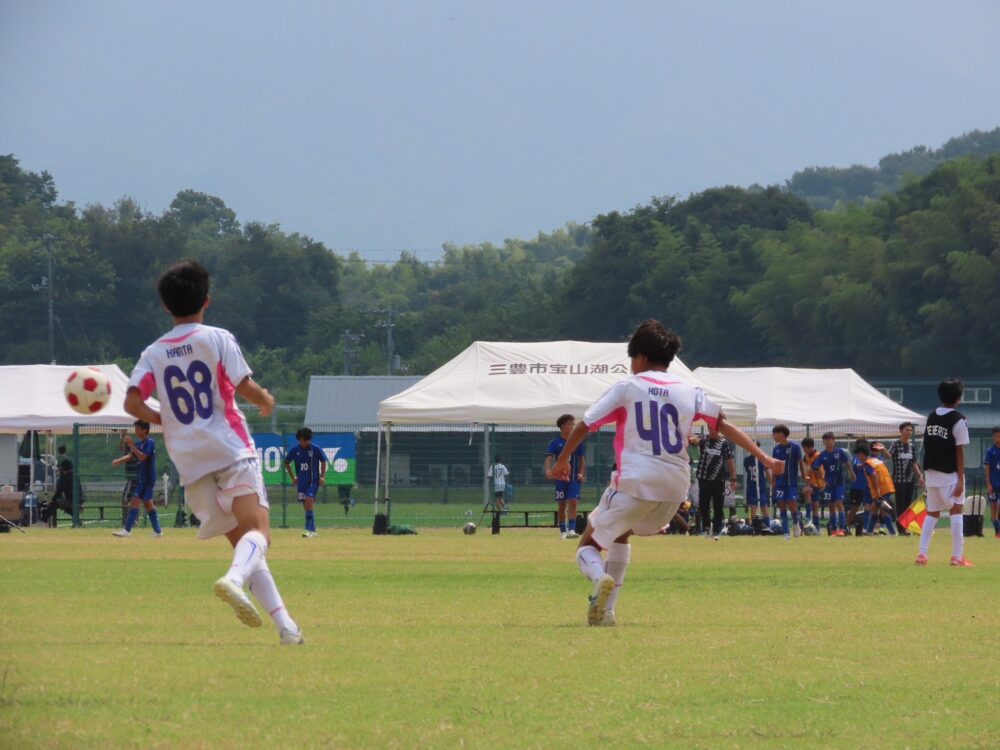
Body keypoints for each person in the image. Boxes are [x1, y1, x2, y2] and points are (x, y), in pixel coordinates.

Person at [552, 320, 783, 626]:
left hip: (636, 480)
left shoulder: (628, 387)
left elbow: (585, 425)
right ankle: (606, 614)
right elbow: (723, 425)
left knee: (587, 547)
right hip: (675, 489)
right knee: (621, 533)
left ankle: (599, 579)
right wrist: (764, 457)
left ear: (640, 357)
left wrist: (562, 460)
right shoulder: (690, 391)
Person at [123, 260, 304, 644]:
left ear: (165, 306)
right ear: (207, 299)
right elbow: (244, 385)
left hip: (189, 461)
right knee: (259, 533)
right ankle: (234, 579)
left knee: (244, 546)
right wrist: (266, 400)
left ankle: (287, 628)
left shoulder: (153, 353)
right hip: (229, 448)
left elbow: (132, 403)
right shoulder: (217, 338)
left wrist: (165, 417)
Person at [916, 378, 973, 567]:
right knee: (956, 513)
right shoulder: (959, 420)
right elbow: (959, 451)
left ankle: (922, 554)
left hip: (931, 473)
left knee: (932, 514)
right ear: (958, 397)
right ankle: (957, 556)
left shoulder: (932, 416)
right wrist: (961, 480)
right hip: (950, 474)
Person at [111, 420, 163, 537]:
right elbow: (131, 455)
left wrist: (131, 445)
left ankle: (127, 530)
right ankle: (158, 531)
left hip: (147, 478)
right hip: (142, 478)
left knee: (135, 501)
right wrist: (119, 460)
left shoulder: (150, 442)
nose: (136, 431)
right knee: (148, 504)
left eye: (138, 429)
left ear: (145, 430)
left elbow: (143, 457)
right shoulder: (139, 444)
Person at [544, 415, 586, 539]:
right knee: (562, 504)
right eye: (570, 424)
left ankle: (572, 530)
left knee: (573, 502)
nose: (573, 427)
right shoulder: (555, 442)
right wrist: (548, 470)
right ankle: (563, 531)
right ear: (562, 426)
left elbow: (582, 459)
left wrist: (581, 473)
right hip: (560, 479)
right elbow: (549, 457)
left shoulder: (577, 441)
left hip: (574, 479)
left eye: (574, 424)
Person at [881, 422, 925, 535]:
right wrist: (883, 449)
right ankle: (901, 529)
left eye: (910, 430)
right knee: (900, 504)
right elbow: (889, 456)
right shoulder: (896, 444)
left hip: (909, 480)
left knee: (907, 505)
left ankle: (905, 527)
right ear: (901, 431)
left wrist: (920, 475)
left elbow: (914, 463)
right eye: (907, 430)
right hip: (899, 480)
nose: (909, 432)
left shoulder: (911, 447)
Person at [283, 428, 328, 538]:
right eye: (303, 440)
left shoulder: (315, 449)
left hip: (313, 481)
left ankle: (307, 530)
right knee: (306, 505)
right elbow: (287, 462)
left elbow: (323, 462)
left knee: (309, 500)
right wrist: (293, 477)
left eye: (307, 440)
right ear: (299, 439)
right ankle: (313, 530)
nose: (305, 442)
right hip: (301, 482)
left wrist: (322, 477)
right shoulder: (295, 450)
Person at [691, 429, 735, 539]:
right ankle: (706, 528)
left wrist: (733, 478)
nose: (711, 431)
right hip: (704, 478)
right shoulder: (704, 440)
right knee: (703, 505)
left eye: (713, 429)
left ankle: (716, 531)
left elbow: (730, 461)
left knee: (718, 506)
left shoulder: (724, 443)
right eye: (709, 428)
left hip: (718, 480)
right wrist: (694, 439)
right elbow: (695, 440)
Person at [812, 432, 851, 536]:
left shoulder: (840, 452)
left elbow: (846, 462)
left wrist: (852, 473)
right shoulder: (822, 455)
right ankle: (833, 530)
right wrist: (822, 479)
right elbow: (815, 468)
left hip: (839, 483)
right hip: (829, 485)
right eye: (826, 440)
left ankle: (843, 529)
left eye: (830, 439)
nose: (828, 442)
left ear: (834, 441)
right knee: (831, 506)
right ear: (823, 442)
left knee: (839, 503)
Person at [854, 443, 896, 536]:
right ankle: (869, 531)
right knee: (874, 508)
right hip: (887, 485)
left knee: (883, 510)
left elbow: (874, 475)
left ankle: (893, 532)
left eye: (858, 456)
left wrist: (878, 492)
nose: (858, 458)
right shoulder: (874, 460)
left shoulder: (867, 463)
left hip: (882, 489)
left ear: (861, 454)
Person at [771, 425, 803, 539]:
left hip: (791, 483)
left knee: (792, 504)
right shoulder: (776, 449)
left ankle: (796, 523)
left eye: (774, 434)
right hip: (780, 483)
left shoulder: (795, 447)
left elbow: (800, 462)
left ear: (781, 434)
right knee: (782, 506)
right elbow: (775, 466)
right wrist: (773, 481)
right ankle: (786, 533)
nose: (773, 436)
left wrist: (803, 476)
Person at [42, 446, 76, 526]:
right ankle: (77, 519)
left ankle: (43, 520)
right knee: (64, 507)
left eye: (59, 468)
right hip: (77, 500)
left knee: (53, 505)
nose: (58, 469)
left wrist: (52, 500)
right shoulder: (74, 476)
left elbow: (59, 491)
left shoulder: (64, 478)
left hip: (71, 501)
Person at [743, 442, 772, 526]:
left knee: (764, 506)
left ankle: (767, 525)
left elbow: (767, 472)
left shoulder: (762, 459)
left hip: (761, 486)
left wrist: (772, 483)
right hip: (751, 487)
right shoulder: (747, 460)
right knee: (753, 507)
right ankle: (754, 526)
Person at [847, 440, 871, 534]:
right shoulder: (856, 458)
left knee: (868, 508)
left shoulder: (869, 458)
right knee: (854, 509)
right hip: (856, 487)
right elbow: (858, 466)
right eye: (860, 444)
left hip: (867, 487)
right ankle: (846, 527)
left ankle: (867, 529)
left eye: (864, 444)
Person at [800, 437, 824, 530]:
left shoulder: (818, 456)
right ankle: (814, 524)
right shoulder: (806, 456)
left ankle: (809, 520)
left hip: (817, 483)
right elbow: (806, 469)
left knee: (808, 494)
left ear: (811, 447)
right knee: (813, 502)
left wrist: (806, 476)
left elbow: (812, 470)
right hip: (810, 482)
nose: (804, 450)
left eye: (805, 448)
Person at [984, 427, 1000, 539]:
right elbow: (987, 470)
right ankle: (997, 532)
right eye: (997, 436)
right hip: (994, 485)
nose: (999, 438)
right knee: (993, 507)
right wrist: (988, 484)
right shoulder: (990, 451)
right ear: (993, 437)